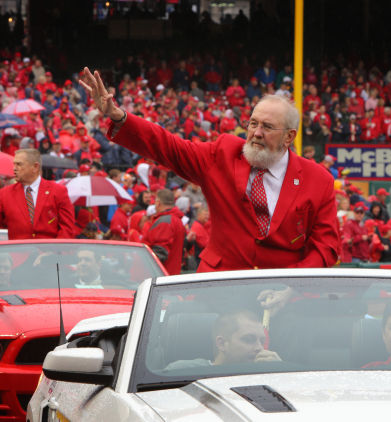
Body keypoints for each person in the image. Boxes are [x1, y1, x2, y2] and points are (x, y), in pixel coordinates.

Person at [80, 68, 339, 272]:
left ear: (289, 137)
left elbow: (326, 247)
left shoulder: (319, 180)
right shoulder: (223, 152)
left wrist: (292, 283)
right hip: (220, 288)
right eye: (252, 123)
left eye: (267, 127)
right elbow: (168, 146)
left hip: (281, 295)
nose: (256, 133)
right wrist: (118, 116)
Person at [0, 149, 75, 239]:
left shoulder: (58, 191)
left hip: (52, 259)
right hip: (19, 260)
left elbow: (67, 227)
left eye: (19, 164)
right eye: (14, 164)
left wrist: (56, 252)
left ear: (35, 167)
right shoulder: (6, 193)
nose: (14, 168)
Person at [165, 310, 281, 370]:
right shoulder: (182, 372)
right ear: (221, 344)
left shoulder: (266, 374)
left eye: (262, 341)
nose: (259, 348)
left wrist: (279, 371)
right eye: (248, 339)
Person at [143, 189, 186, 275]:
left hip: (161, 275)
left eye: (155, 202)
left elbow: (160, 252)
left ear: (158, 203)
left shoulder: (165, 221)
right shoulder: (176, 219)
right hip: (170, 273)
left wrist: (146, 269)